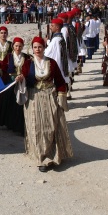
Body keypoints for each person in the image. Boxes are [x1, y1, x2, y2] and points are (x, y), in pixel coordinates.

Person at [23, 36, 73, 172]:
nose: (37, 49)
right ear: (32, 49)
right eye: (35, 47)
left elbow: (60, 81)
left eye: (40, 47)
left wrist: (61, 95)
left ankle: (52, 155)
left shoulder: (51, 63)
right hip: (34, 98)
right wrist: (21, 79)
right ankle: (41, 159)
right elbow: (24, 79)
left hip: (50, 96)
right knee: (36, 128)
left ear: (44, 48)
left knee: (51, 126)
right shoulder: (28, 63)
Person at [0, 37, 29, 135]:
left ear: (22, 46)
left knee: (19, 104)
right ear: (13, 46)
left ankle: (18, 125)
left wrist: (23, 76)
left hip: (21, 82)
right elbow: (3, 67)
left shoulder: (26, 57)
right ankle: (9, 123)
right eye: (16, 46)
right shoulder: (9, 56)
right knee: (9, 102)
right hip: (10, 82)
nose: (18, 48)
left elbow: (28, 69)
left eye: (20, 46)